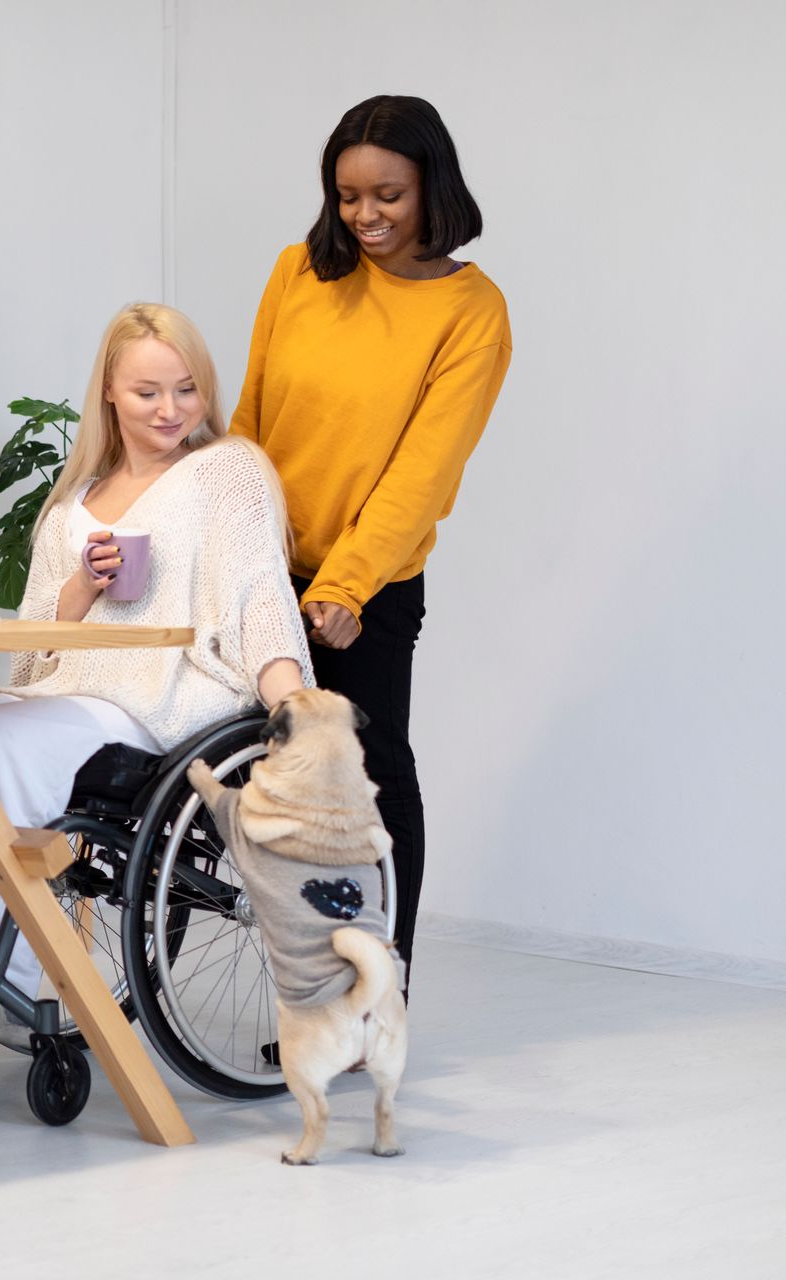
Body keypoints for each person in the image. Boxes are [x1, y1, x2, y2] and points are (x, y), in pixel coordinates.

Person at [0, 302, 312, 1039]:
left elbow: (258, 591)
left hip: (167, 696)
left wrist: (293, 705)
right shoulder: (74, 502)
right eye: (148, 392)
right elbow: (36, 651)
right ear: (108, 390)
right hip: (70, 692)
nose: (171, 409)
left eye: (187, 389)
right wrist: (82, 590)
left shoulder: (226, 469)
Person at [230, 94, 512, 993]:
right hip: (261, 562)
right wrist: (223, 531)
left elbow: (423, 472)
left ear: (432, 184)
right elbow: (250, 418)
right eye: (348, 195)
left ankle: (375, 983)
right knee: (248, 765)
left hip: (368, 584)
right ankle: (290, 965)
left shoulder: (471, 312)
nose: (366, 216)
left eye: (387, 194)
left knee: (372, 775)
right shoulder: (296, 274)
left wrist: (345, 587)